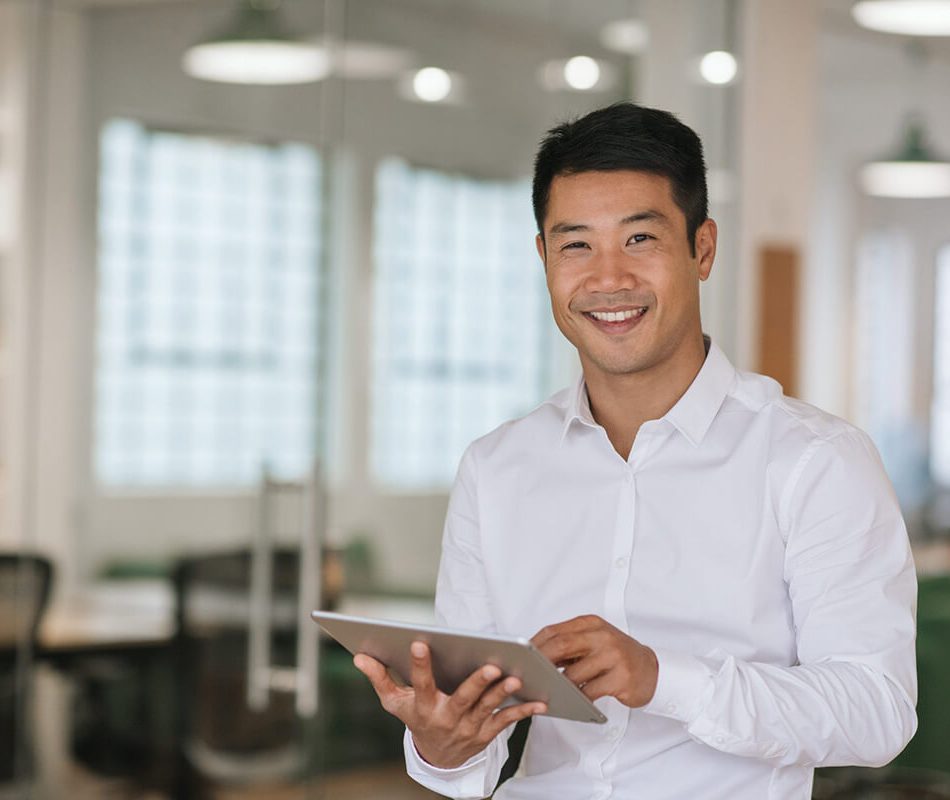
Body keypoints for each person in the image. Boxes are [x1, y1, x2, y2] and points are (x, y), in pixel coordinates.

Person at [354, 103, 918, 799]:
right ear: (543, 259)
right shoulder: (496, 468)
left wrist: (662, 678)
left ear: (701, 249)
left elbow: (877, 710)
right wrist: (441, 744)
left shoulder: (816, 460)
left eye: (640, 239)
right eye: (576, 245)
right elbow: (474, 742)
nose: (607, 278)